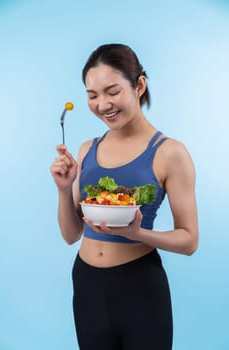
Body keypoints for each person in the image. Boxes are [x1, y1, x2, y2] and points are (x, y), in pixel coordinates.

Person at [50, 43, 199, 350]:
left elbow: (189, 240)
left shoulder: (170, 153)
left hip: (140, 286)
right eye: (92, 96)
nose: (103, 104)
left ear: (139, 86)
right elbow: (70, 234)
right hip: (87, 284)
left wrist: (137, 233)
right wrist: (64, 189)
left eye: (112, 91)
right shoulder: (86, 149)